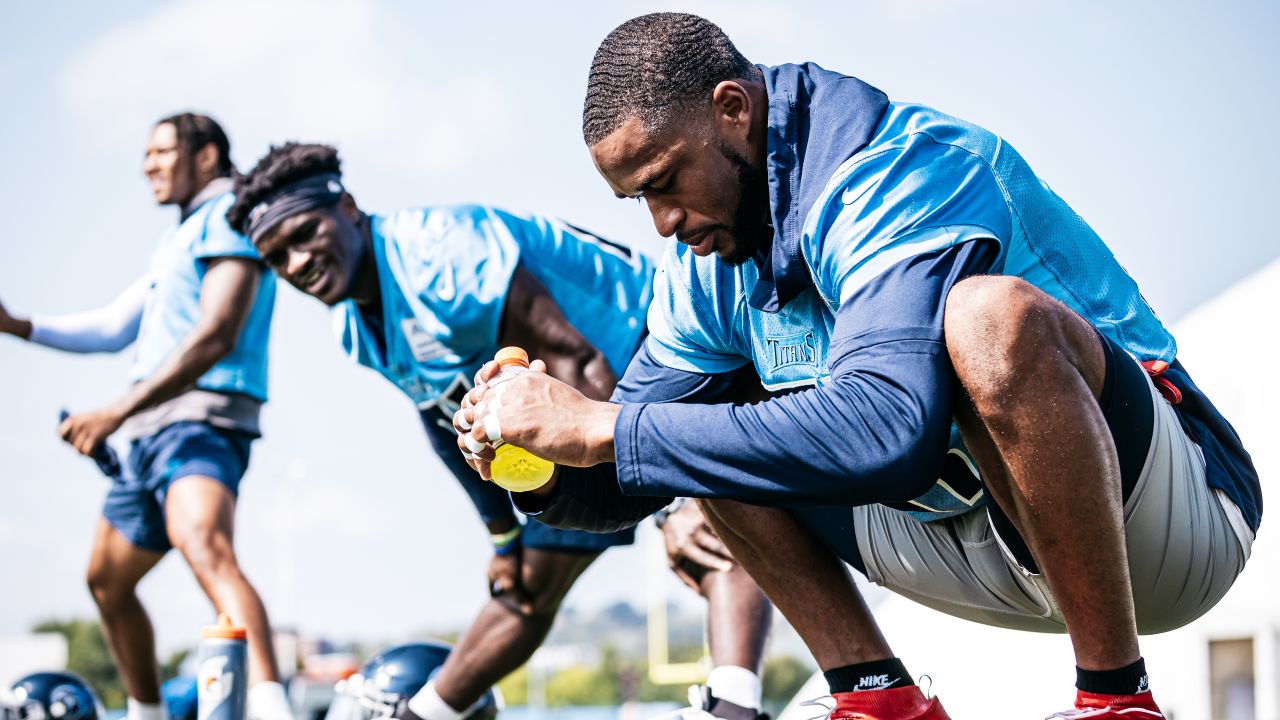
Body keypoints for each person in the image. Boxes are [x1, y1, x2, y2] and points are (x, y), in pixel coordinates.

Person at [455, 12, 1261, 720]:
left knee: (987, 321)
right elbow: (619, 480)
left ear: (733, 111)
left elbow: (888, 432)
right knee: (684, 430)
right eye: (639, 201)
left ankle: (1115, 702)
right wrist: (527, 455)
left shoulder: (899, 168)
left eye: (665, 182)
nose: (663, 223)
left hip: (1157, 530)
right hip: (962, 539)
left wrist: (601, 420)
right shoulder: (706, 263)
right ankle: (879, 697)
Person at [225, 143, 775, 720]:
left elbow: (575, 358)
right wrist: (501, 537)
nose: (295, 263)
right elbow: (447, 422)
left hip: (650, 350)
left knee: (705, 533)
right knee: (524, 586)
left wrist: (670, 494)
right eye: (276, 257)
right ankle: (426, 715)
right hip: (580, 388)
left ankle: (737, 705)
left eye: (303, 234)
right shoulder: (358, 329)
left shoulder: (439, 254)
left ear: (348, 206)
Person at [0, 113, 290, 720]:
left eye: (162, 151)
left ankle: (270, 708)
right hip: (146, 433)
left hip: (202, 420)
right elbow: (112, 328)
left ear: (206, 156)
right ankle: (146, 713)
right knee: (106, 580)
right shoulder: (178, 239)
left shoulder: (231, 214)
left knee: (205, 547)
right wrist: (16, 325)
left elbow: (216, 334)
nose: (148, 165)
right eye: (146, 153)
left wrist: (111, 411)